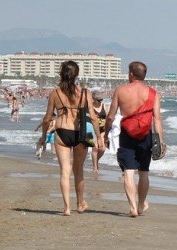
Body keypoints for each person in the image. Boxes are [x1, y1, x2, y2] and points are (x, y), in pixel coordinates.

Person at [38, 60, 103, 216]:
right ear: (77, 75)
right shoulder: (85, 93)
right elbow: (93, 117)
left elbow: (47, 118)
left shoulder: (55, 93)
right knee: (78, 170)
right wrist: (99, 137)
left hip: (62, 132)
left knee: (64, 171)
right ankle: (80, 203)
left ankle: (67, 208)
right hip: (80, 134)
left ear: (61, 73)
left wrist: (44, 136)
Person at [104, 61, 163, 217]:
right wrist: (161, 141)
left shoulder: (120, 90)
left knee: (128, 172)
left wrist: (105, 134)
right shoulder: (153, 93)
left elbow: (110, 116)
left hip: (127, 134)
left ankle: (132, 207)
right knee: (144, 172)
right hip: (146, 136)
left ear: (131, 74)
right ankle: (141, 204)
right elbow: (157, 119)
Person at [91, 90, 108, 173]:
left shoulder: (104, 106)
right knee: (95, 148)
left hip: (102, 130)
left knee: (102, 149)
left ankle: (96, 161)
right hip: (92, 130)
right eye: (98, 100)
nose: (100, 101)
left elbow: (108, 118)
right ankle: (94, 167)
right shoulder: (90, 107)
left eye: (101, 100)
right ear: (93, 98)